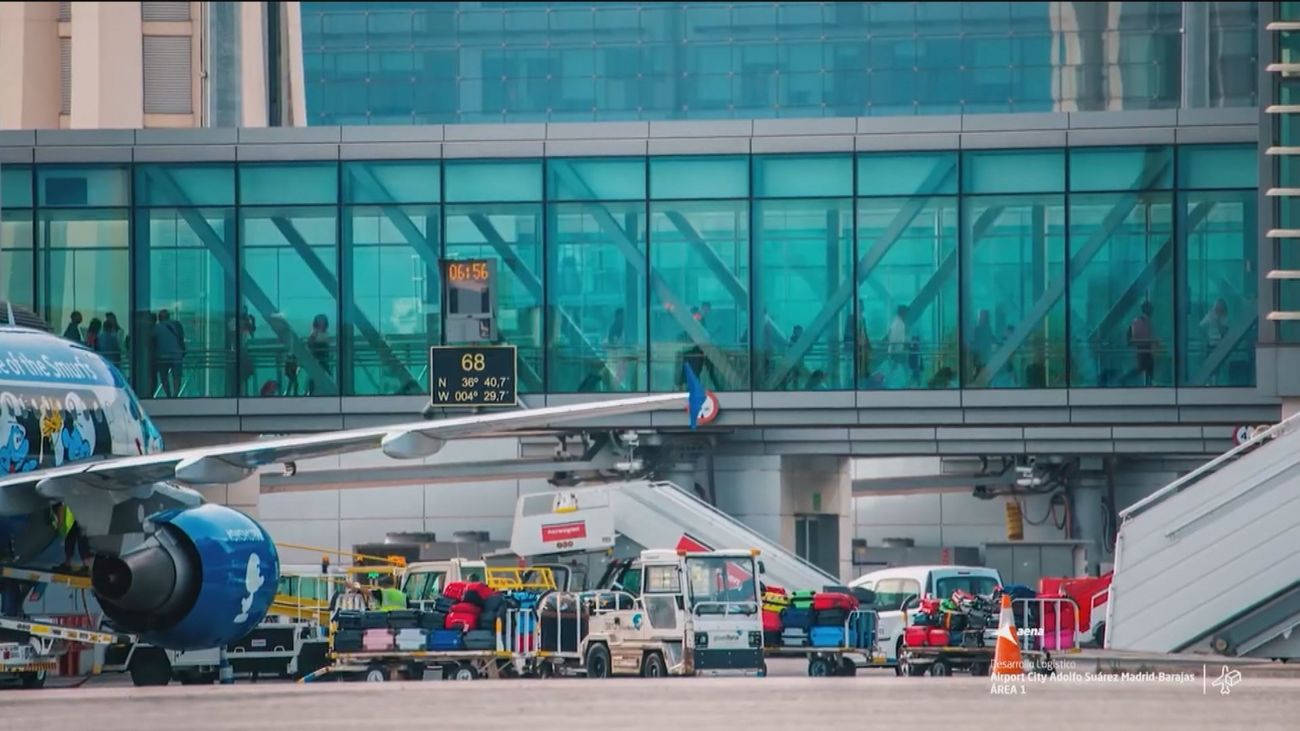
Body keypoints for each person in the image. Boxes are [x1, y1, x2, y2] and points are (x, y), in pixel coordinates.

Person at [153, 310, 186, 397]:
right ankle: (176, 394)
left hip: (162, 356)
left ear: (159, 318)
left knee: (164, 377)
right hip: (176, 354)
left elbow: (153, 342)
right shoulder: (176, 325)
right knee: (176, 376)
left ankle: (168, 394)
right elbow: (181, 338)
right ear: (168, 316)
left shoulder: (156, 328)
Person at [51, 502, 90, 574]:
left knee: (81, 537)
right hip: (73, 509)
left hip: (79, 509)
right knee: (71, 536)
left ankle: (86, 565)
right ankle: (68, 563)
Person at [1128, 301, 1156, 386]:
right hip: (1144, 348)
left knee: (1146, 367)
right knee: (1144, 367)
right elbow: (1145, 335)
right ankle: (1126, 379)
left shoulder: (1137, 320)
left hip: (1142, 348)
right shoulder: (1144, 321)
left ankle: (1148, 384)